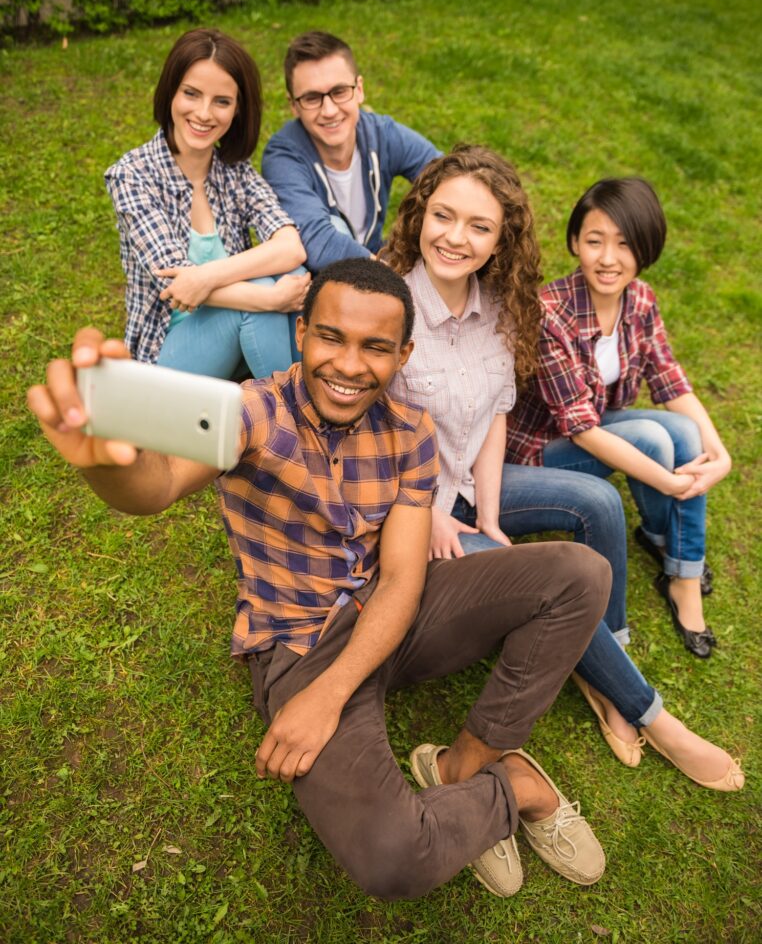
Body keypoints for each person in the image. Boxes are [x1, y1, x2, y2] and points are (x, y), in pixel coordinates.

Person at [28, 258, 613, 901]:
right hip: (299, 642)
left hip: (393, 611)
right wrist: (106, 465)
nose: (350, 365)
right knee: (397, 860)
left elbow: (401, 579)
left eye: (376, 347)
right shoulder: (253, 412)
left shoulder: (411, 432)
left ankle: (465, 766)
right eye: (331, 337)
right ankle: (517, 789)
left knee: (579, 573)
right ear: (302, 331)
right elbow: (157, 485)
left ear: (403, 354)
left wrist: (334, 694)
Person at [383, 147, 743, 794]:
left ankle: (608, 655)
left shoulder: (497, 304)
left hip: (474, 488)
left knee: (599, 505)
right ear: (420, 214)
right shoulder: (388, 302)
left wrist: (489, 514)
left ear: (502, 239)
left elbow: (495, 414)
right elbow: (363, 437)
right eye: (444, 216)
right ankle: (652, 715)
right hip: (411, 510)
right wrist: (433, 513)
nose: (456, 238)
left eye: (479, 226)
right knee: (555, 582)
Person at [505, 178, 731, 660]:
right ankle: (668, 539)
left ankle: (680, 568)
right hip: (539, 447)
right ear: (574, 243)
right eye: (594, 241)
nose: (608, 258)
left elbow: (671, 380)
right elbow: (581, 428)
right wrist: (671, 484)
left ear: (645, 249)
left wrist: (720, 453)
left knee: (685, 432)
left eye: (624, 244)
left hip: (596, 422)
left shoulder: (641, 300)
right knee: (652, 440)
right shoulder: (550, 312)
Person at [105, 27, 310, 379]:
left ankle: (297, 399)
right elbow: (175, 286)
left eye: (221, 101)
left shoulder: (234, 172)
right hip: (167, 355)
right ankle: (292, 415)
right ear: (171, 91)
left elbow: (290, 246)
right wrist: (269, 299)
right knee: (267, 291)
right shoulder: (132, 175)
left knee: (291, 274)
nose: (203, 113)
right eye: (191, 94)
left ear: (237, 110)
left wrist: (206, 276)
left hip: (237, 334)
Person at [261, 31, 440, 271]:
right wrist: (391, 276)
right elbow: (317, 242)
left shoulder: (382, 134)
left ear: (359, 89)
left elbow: (447, 178)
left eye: (339, 92)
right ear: (294, 106)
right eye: (312, 98)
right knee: (334, 226)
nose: (329, 110)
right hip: (314, 284)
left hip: (372, 263)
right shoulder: (283, 156)